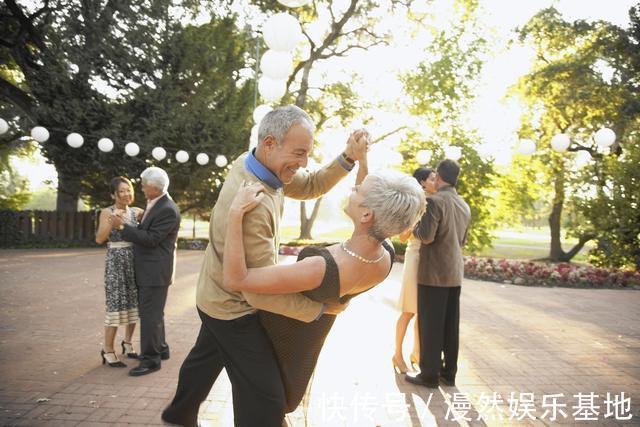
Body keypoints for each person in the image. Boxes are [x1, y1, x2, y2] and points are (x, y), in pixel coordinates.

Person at [161, 105, 368, 427]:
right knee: (266, 396)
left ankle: (178, 414)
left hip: (212, 294)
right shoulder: (253, 205)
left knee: (207, 358)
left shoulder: (255, 163)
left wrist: (349, 158)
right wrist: (318, 311)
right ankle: (184, 414)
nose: (303, 163)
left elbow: (311, 184)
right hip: (231, 308)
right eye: (299, 153)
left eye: (307, 154)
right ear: (270, 143)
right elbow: (256, 291)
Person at [223, 170, 426, 413]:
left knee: (261, 404)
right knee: (273, 402)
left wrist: (235, 213)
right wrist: (361, 158)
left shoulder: (321, 267)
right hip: (312, 333)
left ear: (367, 214)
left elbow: (236, 279)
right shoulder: (385, 255)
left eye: (357, 189)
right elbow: (377, 204)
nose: (353, 188)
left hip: (280, 335)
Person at [405, 159, 471, 389]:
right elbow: (462, 240)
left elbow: (427, 236)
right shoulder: (464, 204)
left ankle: (429, 375)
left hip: (433, 273)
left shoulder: (434, 202)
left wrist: (413, 224)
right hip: (454, 272)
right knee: (450, 326)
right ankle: (448, 373)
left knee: (430, 325)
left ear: (439, 176)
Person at [111, 166, 181, 377]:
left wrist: (123, 227)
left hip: (155, 271)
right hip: (153, 269)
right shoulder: (157, 203)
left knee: (149, 316)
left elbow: (151, 239)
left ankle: (151, 360)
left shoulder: (167, 208)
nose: (140, 189)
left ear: (154, 187)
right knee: (154, 314)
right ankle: (161, 348)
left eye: (143, 185)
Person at [392, 167, 437, 374]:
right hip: (415, 257)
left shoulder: (437, 202)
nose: (436, 180)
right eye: (432, 178)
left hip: (430, 260)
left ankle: (417, 354)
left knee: (425, 312)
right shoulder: (414, 205)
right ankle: (397, 354)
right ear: (422, 182)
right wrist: (416, 222)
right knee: (409, 310)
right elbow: (401, 237)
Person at [95, 176, 142, 367]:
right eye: (121, 191)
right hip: (116, 263)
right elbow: (99, 239)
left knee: (133, 305)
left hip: (134, 262)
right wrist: (111, 222)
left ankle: (128, 343)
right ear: (113, 194)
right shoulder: (107, 211)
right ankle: (108, 350)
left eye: (128, 189)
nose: (126, 194)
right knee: (115, 306)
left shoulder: (137, 212)